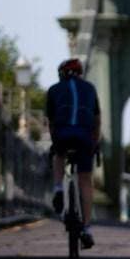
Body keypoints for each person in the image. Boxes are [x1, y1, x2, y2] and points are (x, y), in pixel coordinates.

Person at [46, 57, 101, 249]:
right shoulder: (90, 88)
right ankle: (86, 228)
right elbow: (97, 121)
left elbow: (51, 122)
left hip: (62, 133)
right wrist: (95, 143)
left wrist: (55, 142)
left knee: (59, 154)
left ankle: (58, 188)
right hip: (84, 136)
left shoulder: (54, 89)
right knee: (85, 179)